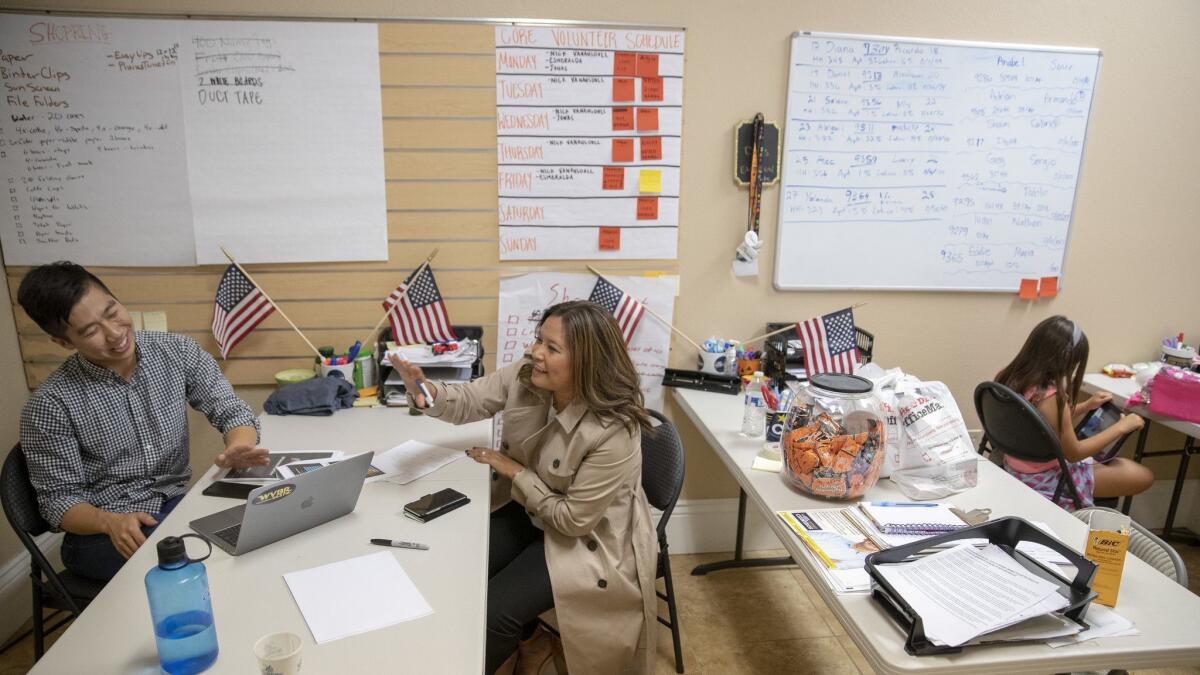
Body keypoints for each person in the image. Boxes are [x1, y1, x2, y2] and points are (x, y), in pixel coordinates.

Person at [390, 300, 658, 675]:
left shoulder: (615, 430)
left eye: (552, 348)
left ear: (587, 362)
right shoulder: (527, 375)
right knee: (462, 567)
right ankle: (534, 643)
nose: (536, 352)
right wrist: (426, 393)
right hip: (533, 510)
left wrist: (514, 472)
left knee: (494, 611)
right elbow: (470, 399)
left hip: (587, 539)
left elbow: (573, 520)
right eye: (538, 340)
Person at [17, 261, 269, 582]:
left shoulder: (175, 350)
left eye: (112, 312)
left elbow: (231, 411)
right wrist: (109, 522)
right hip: (106, 532)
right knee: (211, 566)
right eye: (91, 331)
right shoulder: (50, 405)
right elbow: (58, 501)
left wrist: (240, 445)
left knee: (261, 527)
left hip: (175, 505)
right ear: (64, 343)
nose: (115, 333)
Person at [995, 315, 1153, 509]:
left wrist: (1086, 406)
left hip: (1014, 466)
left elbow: (1040, 420)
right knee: (1144, 475)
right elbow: (1074, 453)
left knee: (1113, 464)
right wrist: (1121, 427)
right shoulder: (1052, 397)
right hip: (1044, 478)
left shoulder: (1008, 377)